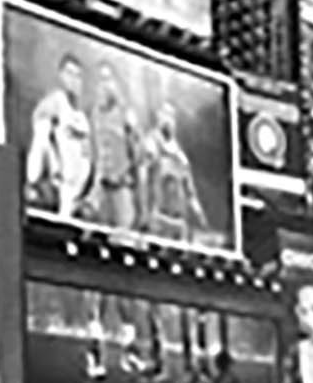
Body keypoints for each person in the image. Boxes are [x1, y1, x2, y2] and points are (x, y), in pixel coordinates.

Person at [25, 51, 94, 220]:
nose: (74, 80)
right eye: (69, 74)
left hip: (76, 189)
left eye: (77, 76)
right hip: (59, 183)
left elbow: (88, 155)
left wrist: (83, 188)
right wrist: (49, 169)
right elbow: (40, 137)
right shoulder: (55, 102)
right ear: (62, 75)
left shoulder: (82, 118)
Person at [139, 104, 209, 247]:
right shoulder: (152, 144)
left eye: (171, 117)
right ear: (159, 118)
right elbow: (143, 175)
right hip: (159, 218)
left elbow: (190, 191)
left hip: (179, 222)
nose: (168, 121)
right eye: (165, 115)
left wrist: (199, 214)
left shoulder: (180, 156)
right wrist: (144, 210)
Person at [86, 65, 143, 233]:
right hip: (102, 189)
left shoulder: (126, 113)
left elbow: (138, 153)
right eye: (100, 80)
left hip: (122, 188)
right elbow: (95, 153)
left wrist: (128, 176)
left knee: (124, 236)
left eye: (108, 80)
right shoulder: (95, 114)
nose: (104, 86)